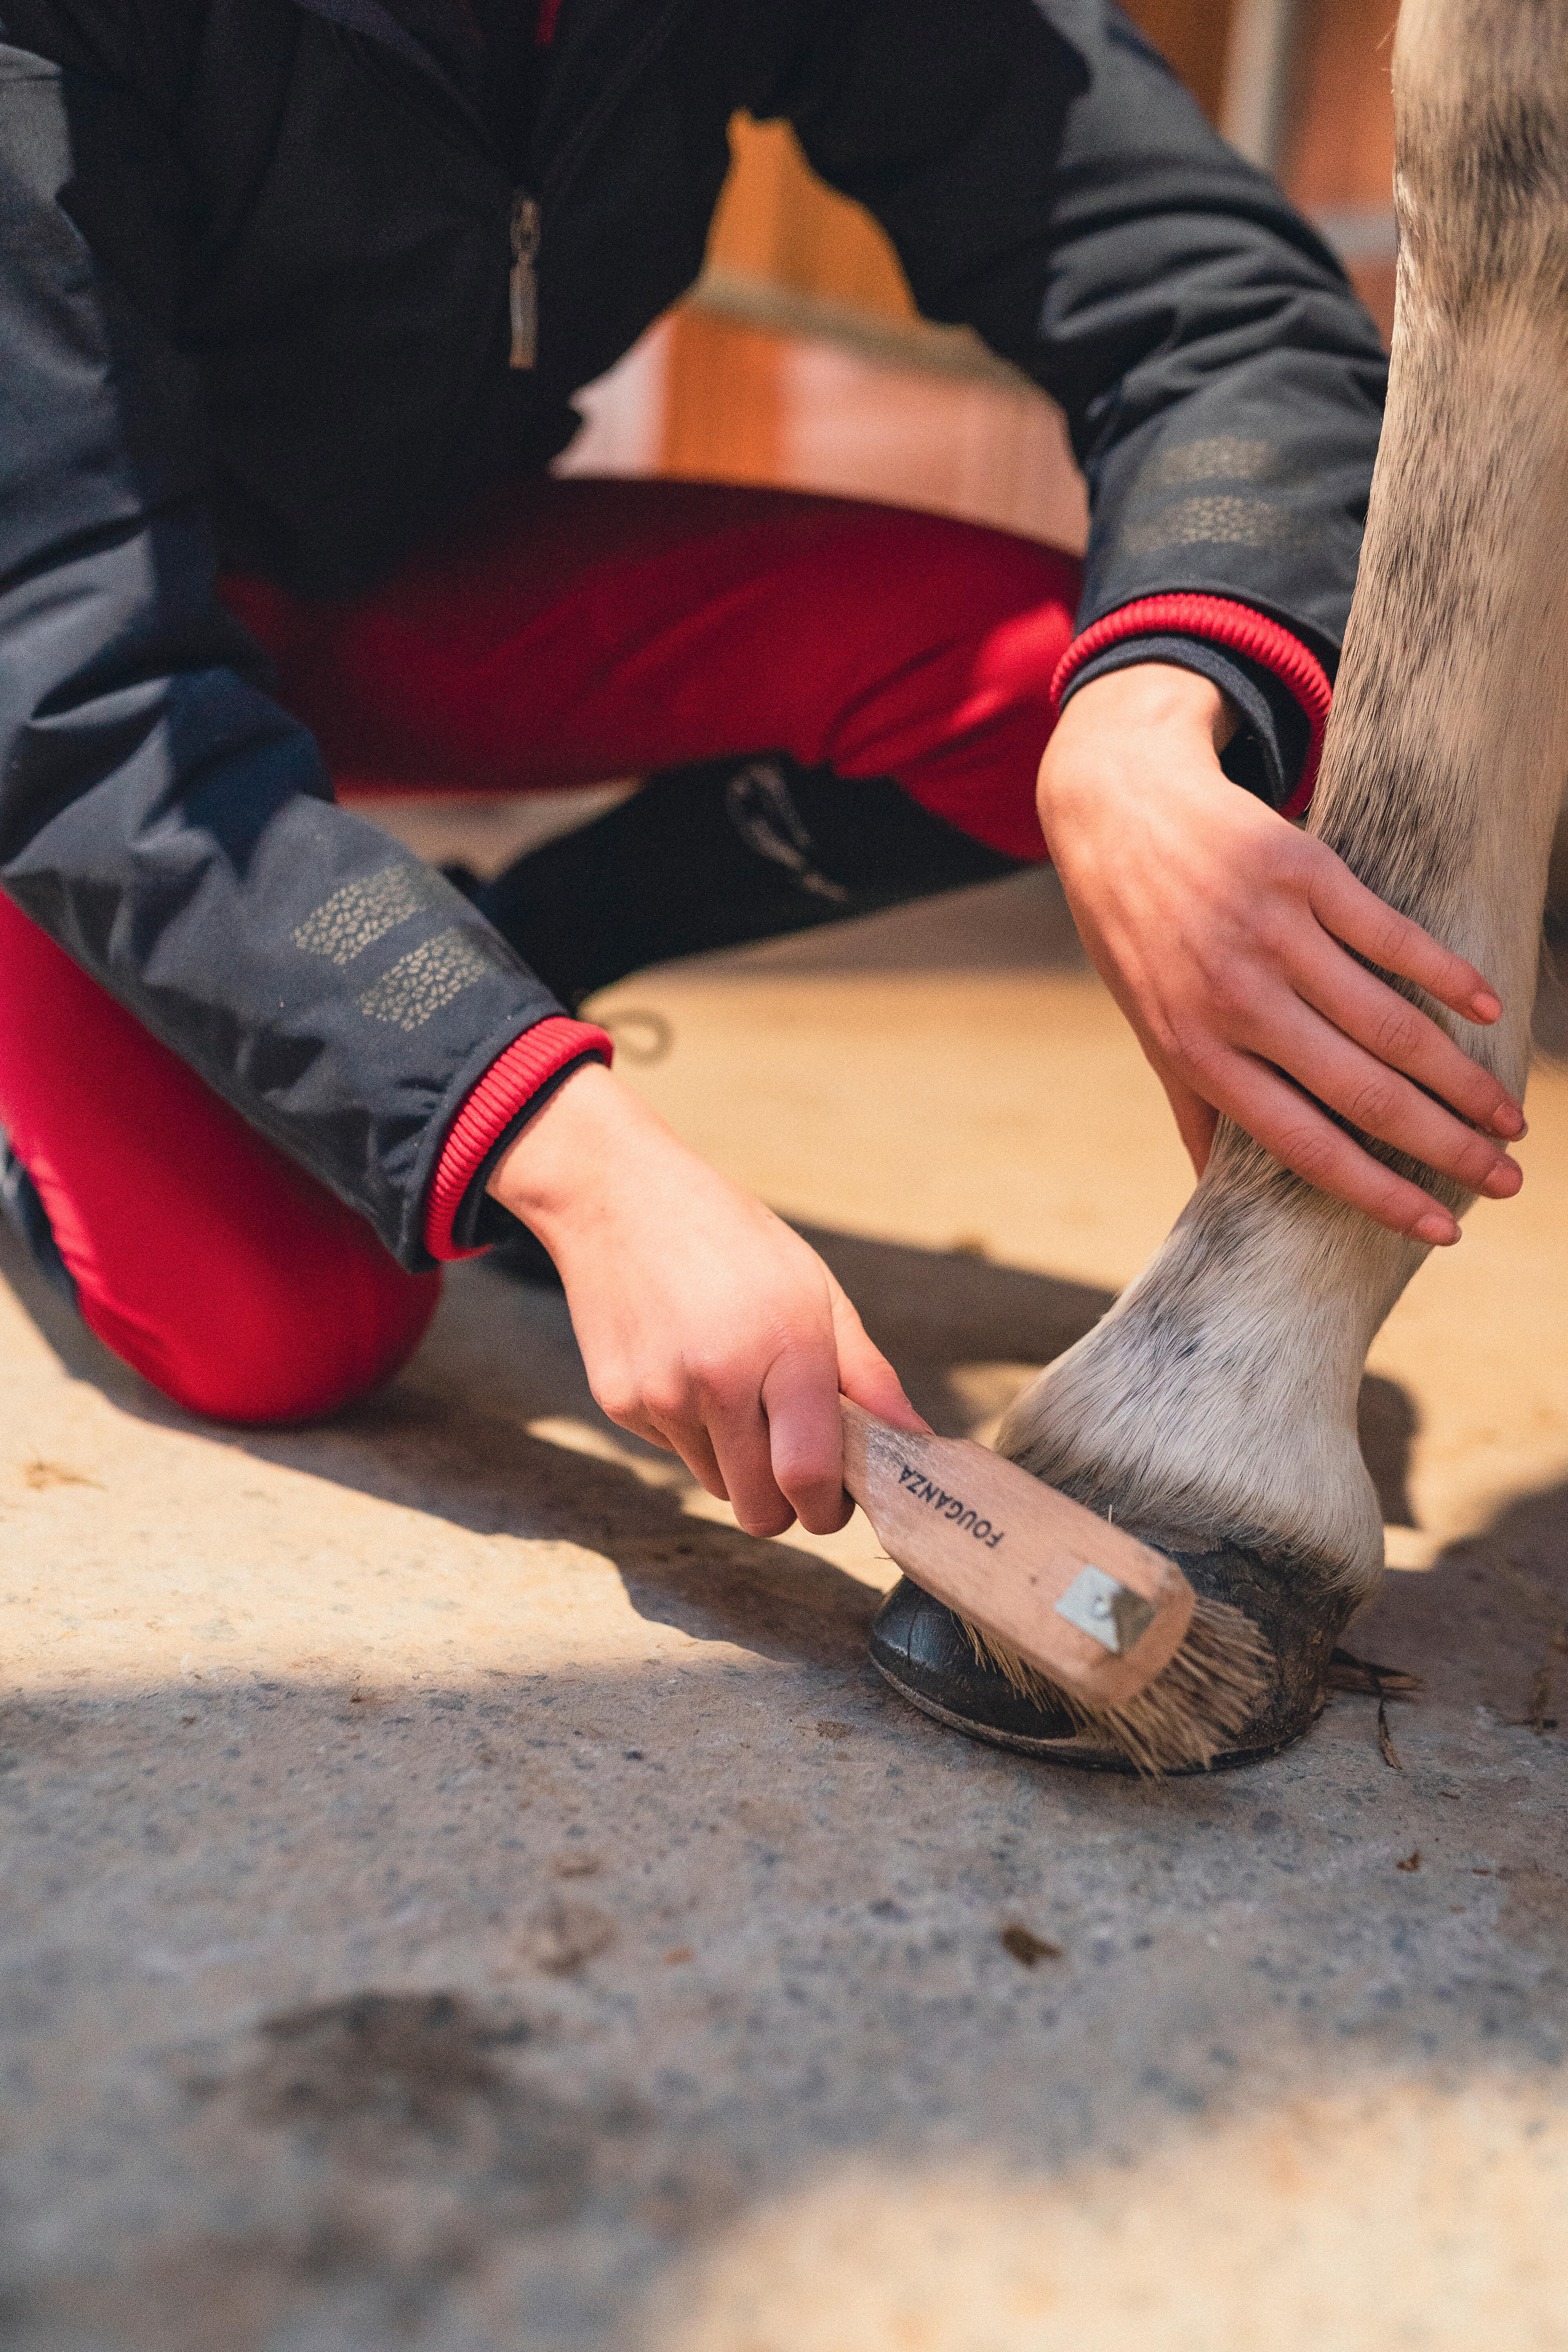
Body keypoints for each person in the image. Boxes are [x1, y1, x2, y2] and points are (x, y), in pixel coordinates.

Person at [0, 0, 1524, 1704]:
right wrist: (572, 1158)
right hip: (79, 676)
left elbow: (1210, 292)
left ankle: (528, 945)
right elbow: (71, 681)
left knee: (1077, 687)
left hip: (400, 572)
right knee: (283, 1331)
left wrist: (1151, 726)